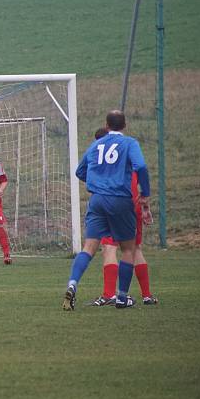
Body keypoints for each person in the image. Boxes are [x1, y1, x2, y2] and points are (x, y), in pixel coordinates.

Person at [63, 110, 151, 310]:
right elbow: (141, 166)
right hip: (119, 199)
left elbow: (80, 171)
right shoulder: (129, 143)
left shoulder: (96, 145)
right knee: (128, 249)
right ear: (125, 125)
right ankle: (121, 297)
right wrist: (145, 193)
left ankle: (72, 284)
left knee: (89, 248)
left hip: (97, 200)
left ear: (107, 125)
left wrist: (98, 181)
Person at [89, 128, 158, 307]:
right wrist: (145, 207)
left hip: (115, 206)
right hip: (133, 204)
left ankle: (110, 294)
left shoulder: (100, 160)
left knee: (109, 247)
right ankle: (147, 296)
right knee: (136, 249)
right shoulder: (127, 152)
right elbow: (139, 177)